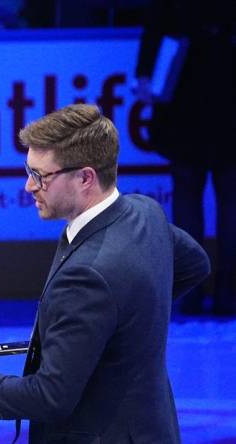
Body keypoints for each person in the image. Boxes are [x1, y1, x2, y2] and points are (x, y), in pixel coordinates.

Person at [0, 104, 210, 443]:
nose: (28, 187)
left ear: (85, 177)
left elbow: (49, 397)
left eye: (40, 176)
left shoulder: (86, 277)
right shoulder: (144, 212)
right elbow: (197, 264)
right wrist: (124, 326)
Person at [134, 0, 235, 316]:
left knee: (188, 191)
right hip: (227, 87)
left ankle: (191, 291)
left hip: (183, 87)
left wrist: (144, 72)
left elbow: (156, 23)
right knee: (230, 196)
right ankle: (228, 291)